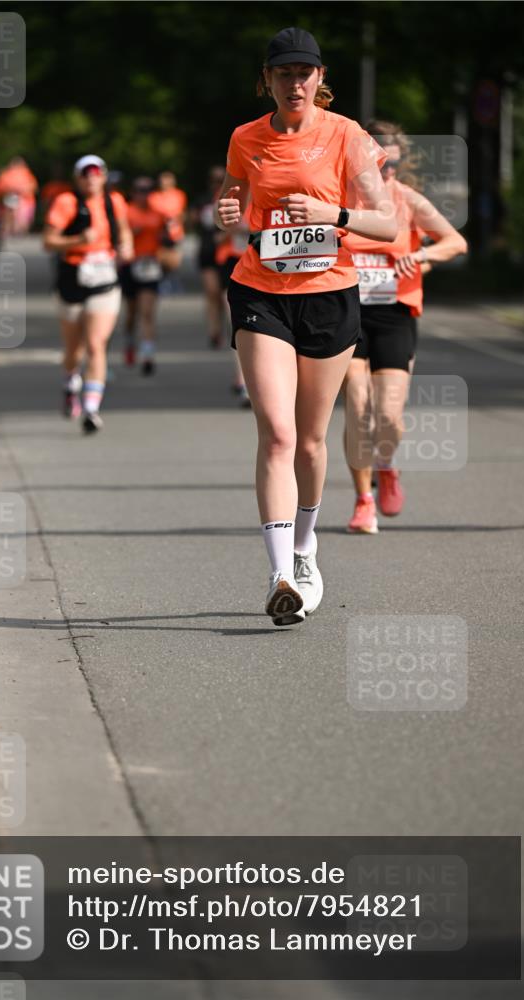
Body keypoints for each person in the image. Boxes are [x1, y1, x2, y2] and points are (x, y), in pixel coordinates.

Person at [216, 26, 397, 626]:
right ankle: (279, 576)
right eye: (284, 73)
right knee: (277, 434)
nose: (295, 83)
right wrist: (224, 211)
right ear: (266, 80)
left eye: (304, 73)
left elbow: (387, 224)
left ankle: (303, 546)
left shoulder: (346, 135)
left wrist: (332, 213)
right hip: (260, 291)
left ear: (320, 79)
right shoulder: (246, 137)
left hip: (328, 296)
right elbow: (233, 203)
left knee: (312, 441)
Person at [341, 121, 468, 533]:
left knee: (389, 418)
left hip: (394, 314)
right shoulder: (340, 198)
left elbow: (456, 242)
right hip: (346, 312)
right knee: (358, 406)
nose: (387, 173)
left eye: (393, 165)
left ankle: (386, 462)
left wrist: (423, 257)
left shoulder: (407, 199)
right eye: (380, 165)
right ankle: (363, 500)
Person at [43, 155, 133, 433]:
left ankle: (91, 409)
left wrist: (126, 246)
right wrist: (78, 240)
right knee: (74, 350)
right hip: (72, 278)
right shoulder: (66, 202)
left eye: (96, 174)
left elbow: (124, 231)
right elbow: (48, 241)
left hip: (104, 279)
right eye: (85, 174)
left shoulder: (114, 201)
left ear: (104, 177)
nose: (91, 179)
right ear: (77, 178)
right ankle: (71, 381)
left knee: (96, 344)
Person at [120, 177, 167, 374]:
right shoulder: (126, 212)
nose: (144, 194)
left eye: (148, 190)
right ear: (133, 193)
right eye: (140, 190)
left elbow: (168, 238)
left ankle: (147, 354)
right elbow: (117, 236)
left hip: (150, 266)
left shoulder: (158, 214)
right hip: (130, 265)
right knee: (132, 313)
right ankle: (130, 342)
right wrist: (132, 233)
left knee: (147, 312)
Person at [214, 210, 252, 407]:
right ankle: (243, 381)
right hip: (231, 262)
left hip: (261, 263)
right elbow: (216, 239)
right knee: (237, 323)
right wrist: (233, 231)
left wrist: (252, 230)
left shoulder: (272, 198)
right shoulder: (230, 200)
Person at [191, 165, 227, 348]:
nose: (217, 184)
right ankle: (214, 331)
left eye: (221, 180)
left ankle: (227, 327)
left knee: (224, 296)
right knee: (212, 292)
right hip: (207, 250)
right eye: (214, 181)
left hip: (227, 252)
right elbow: (192, 221)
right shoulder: (203, 200)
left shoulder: (233, 198)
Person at [0, 156, 38, 235]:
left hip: (25, 198)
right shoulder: (8, 173)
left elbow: (33, 186)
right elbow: (2, 186)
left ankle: (20, 231)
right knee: (11, 214)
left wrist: (24, 190)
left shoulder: (26, 173)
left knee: (23, 216)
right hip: (12, 196)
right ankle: (12, 230)